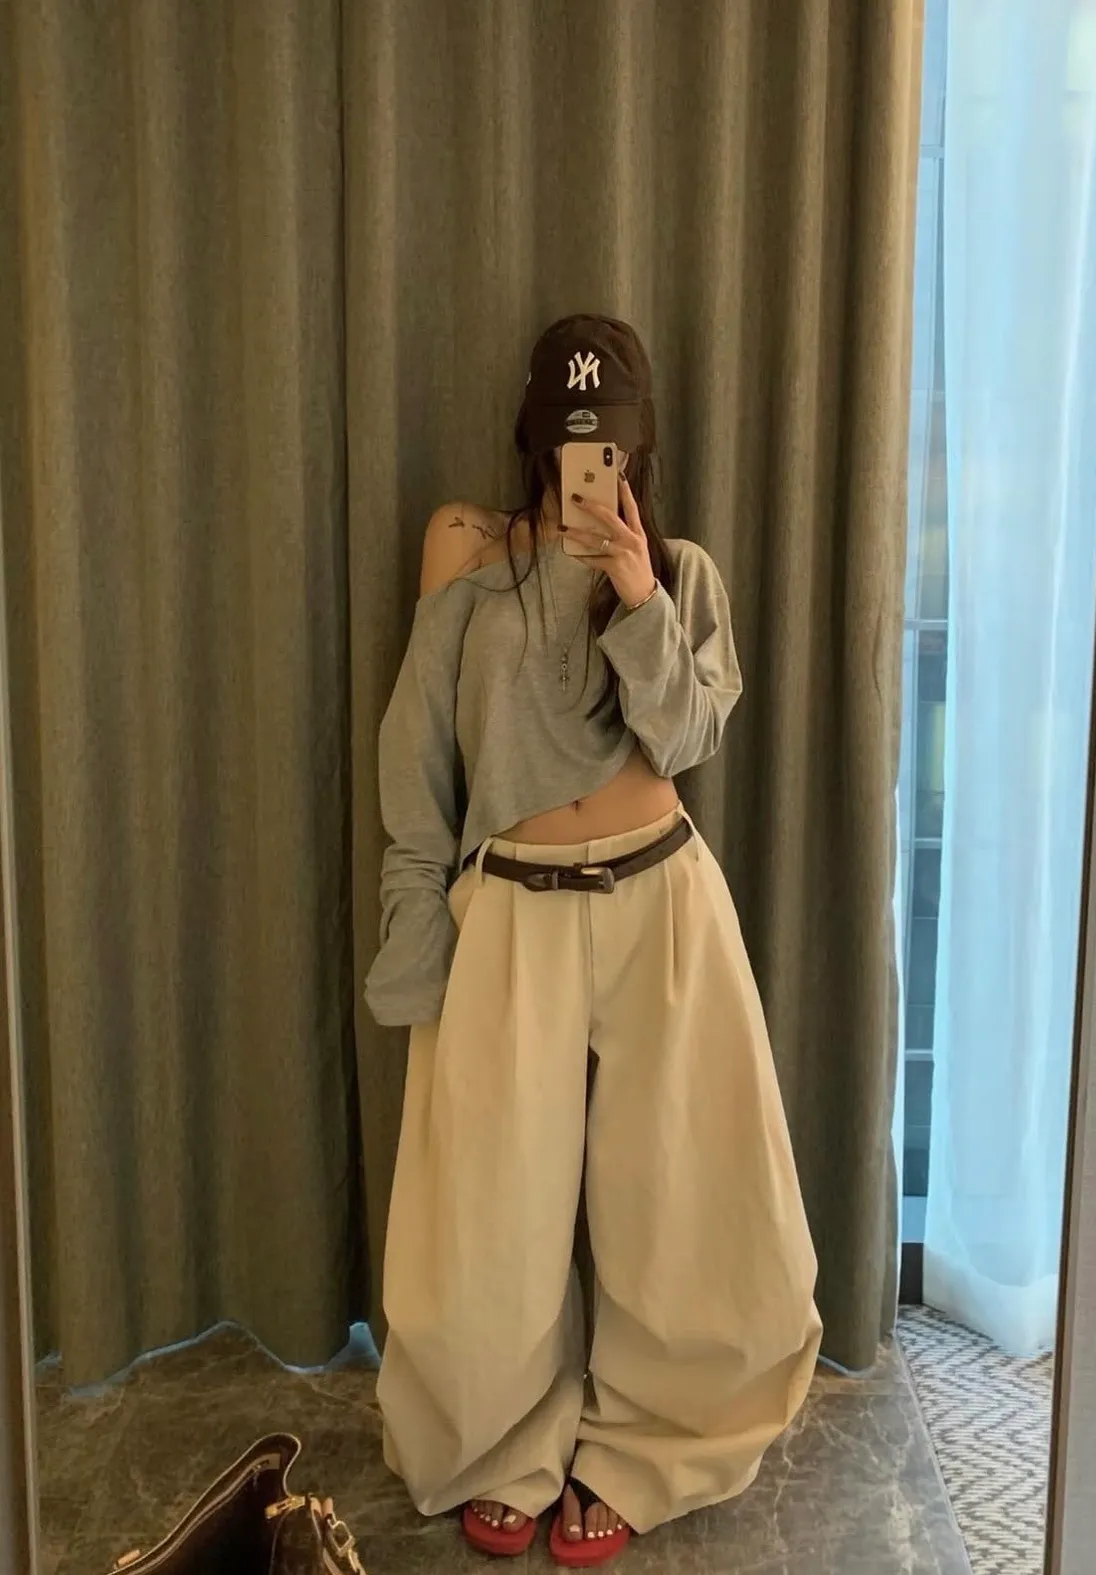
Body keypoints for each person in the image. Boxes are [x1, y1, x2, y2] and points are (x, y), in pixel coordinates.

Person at [365, 314, 822, 1568]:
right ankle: (499, 1446)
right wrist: (418, 941)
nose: (587, 462)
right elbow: (418, 768)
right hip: (510, 909)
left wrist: (637, 596)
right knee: (485, 1214)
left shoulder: (680, 569)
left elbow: (686, 740)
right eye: (571, 441)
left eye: (607, 442)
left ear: (635, 446)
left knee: (683, 1197)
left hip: (662, 902)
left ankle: (647, 1451)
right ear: (537, 438)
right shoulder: (464, 550)